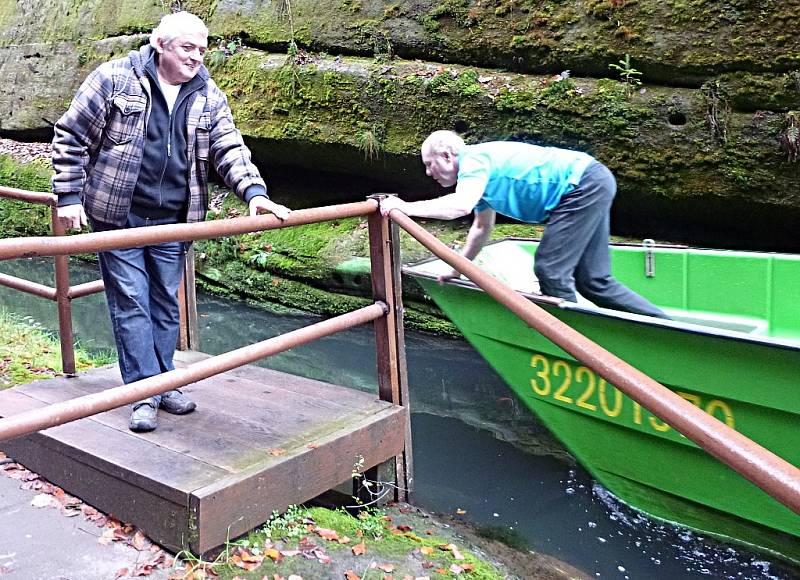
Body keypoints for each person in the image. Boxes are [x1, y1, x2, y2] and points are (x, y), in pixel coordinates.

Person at [51, 11, 292, 432]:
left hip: (175, 221)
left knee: (164, 302)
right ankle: (144, 393)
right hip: (119, 217)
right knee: (131, 301)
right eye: (188, 47)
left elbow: (228, 146)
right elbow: (71, 135)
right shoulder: (114, 78)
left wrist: (255, 193)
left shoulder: (206, 92)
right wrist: (68, 195)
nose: (197, 57)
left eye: (202, 48)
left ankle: (165, 382)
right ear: (160, 44)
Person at [380, 130, 668, 319]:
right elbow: (481, 227)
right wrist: (457, 270)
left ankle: (577, 342)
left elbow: (460, 205)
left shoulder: (474, 160)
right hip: (591, 179)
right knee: (594, 281)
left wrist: (404, 207)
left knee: (550, 270)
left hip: (581, 185)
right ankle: (664, 325)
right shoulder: (478, 176)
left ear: (447, 155)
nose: (429, 173)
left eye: (430, 164)